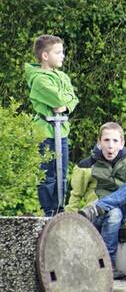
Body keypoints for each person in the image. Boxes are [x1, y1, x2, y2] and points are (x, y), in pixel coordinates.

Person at [67, 122, 126, 279]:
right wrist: (70, 220)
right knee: (114, 213)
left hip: (120, 212)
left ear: (122, 143)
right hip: (94, 217)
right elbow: (76, 195)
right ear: (99, 142)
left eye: (115, 141)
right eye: (106, 140)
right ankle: (109, 266)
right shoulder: (85, 166)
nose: (110, 146)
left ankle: (99, 206)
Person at [25, 35, 79, 216]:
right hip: (45, 131)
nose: (62, 56)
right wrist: (64, 100)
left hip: (61, 130)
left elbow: (72, 99)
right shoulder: (39, 80)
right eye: (58, 52)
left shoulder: (62, 76)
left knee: (62, 174)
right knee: (48, 175)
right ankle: (49, 211)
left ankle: (59, 209)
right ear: (45, 56)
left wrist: (67, 104)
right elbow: (58, 99)